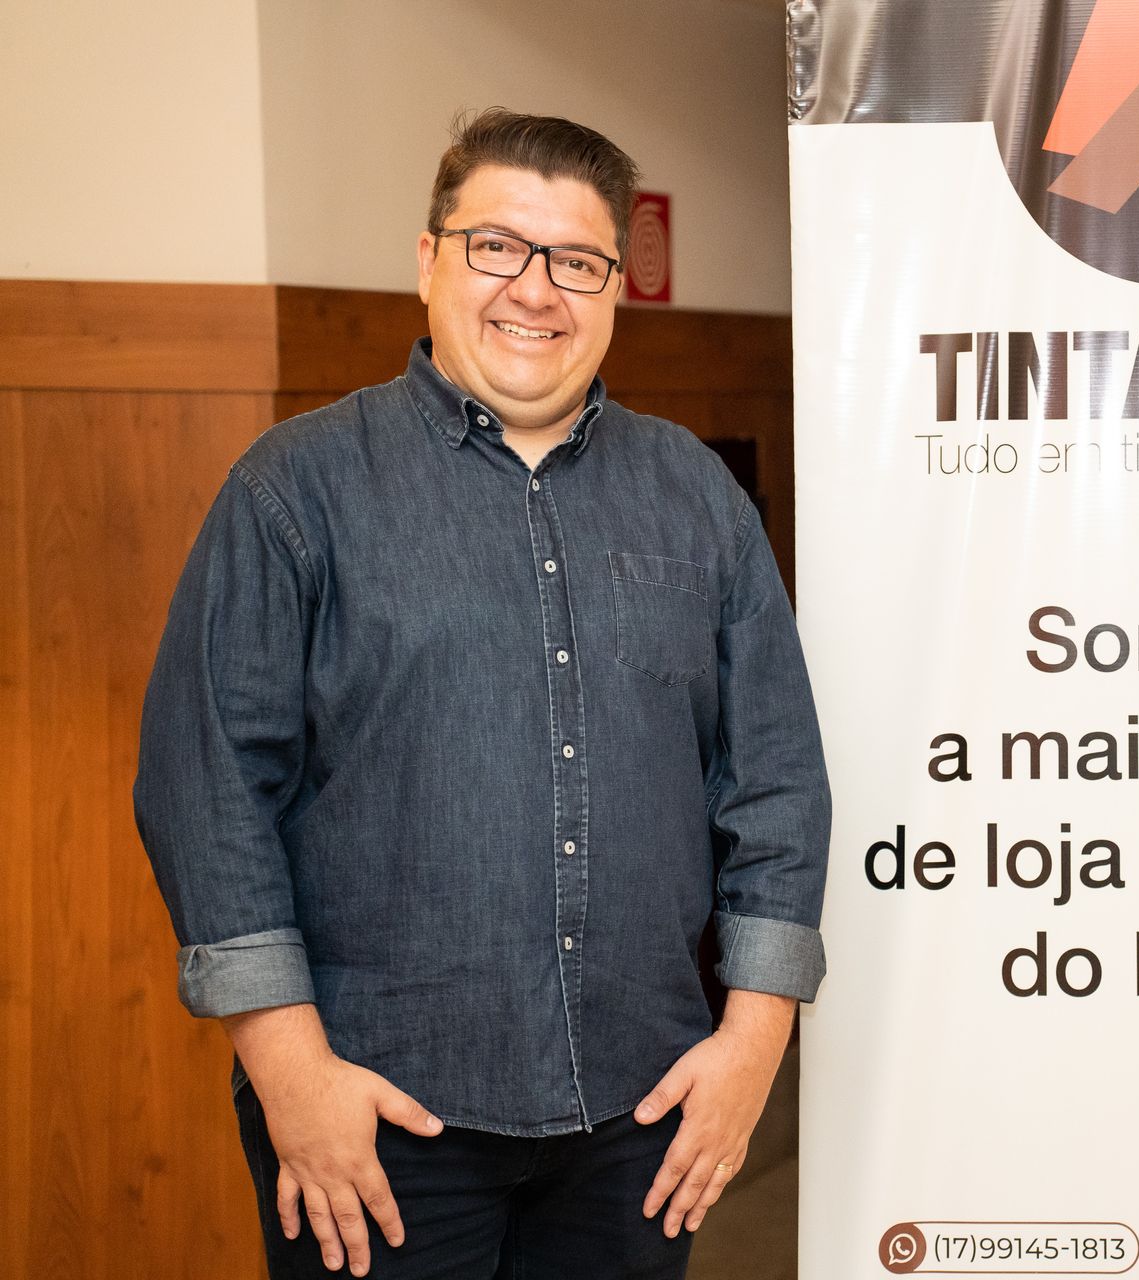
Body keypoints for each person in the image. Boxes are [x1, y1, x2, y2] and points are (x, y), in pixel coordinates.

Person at [133, 108, 830, 1280]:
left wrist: (756, 1041)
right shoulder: (293, 493)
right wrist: (289, 1073)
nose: (536, 291)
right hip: (375, 1121)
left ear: (615, 288)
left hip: (641, 1117)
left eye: (577, 261)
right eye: (497, 246)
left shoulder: (697, 498)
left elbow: (775, 780)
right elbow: (207, 791)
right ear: (428, 260)